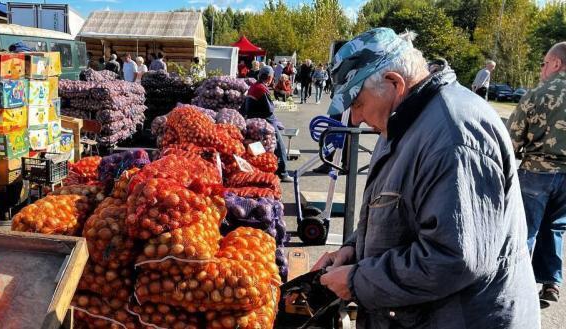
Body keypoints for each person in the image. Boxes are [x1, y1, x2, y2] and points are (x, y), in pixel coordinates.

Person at [309, 27, 539, 328]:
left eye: (357, 104)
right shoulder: (403, 117)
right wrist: (353, 249)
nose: (354, 119)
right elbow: (396, 208)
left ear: (394, 83)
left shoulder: (454, 137)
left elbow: (454, 258)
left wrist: (358, 281)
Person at [507, 42, 566, 308]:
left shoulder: (537, 93)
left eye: (544, 63)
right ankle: (551, 283)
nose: (542, 69)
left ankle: (516, 286)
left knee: (524, 230)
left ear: (556, 63)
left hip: (536, 172)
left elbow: (513, 140)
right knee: (556, 227)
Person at [240, 66, 290, 182]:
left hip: (253, 122)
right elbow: (269, 110)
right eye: (272, 77)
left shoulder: (253, 86)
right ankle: (283, 173)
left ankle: (260, 173)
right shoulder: (262, 89)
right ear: (269, 77)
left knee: (258, 150)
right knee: (279, 146)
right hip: (264, 122)